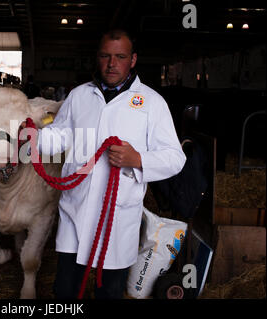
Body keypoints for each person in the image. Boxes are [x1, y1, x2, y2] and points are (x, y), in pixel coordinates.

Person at [33, 29, 186, 298]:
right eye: (105, 56)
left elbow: (175, 158)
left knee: (109, 292)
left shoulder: (152, 103)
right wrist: (30, 137)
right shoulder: (79, 95)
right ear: (98, 57)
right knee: (65, 289)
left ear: (133, 59)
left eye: (120, 56)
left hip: (117, 215)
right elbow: (60, 134)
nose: (111, 63)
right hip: (75, 209)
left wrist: (138, 159)